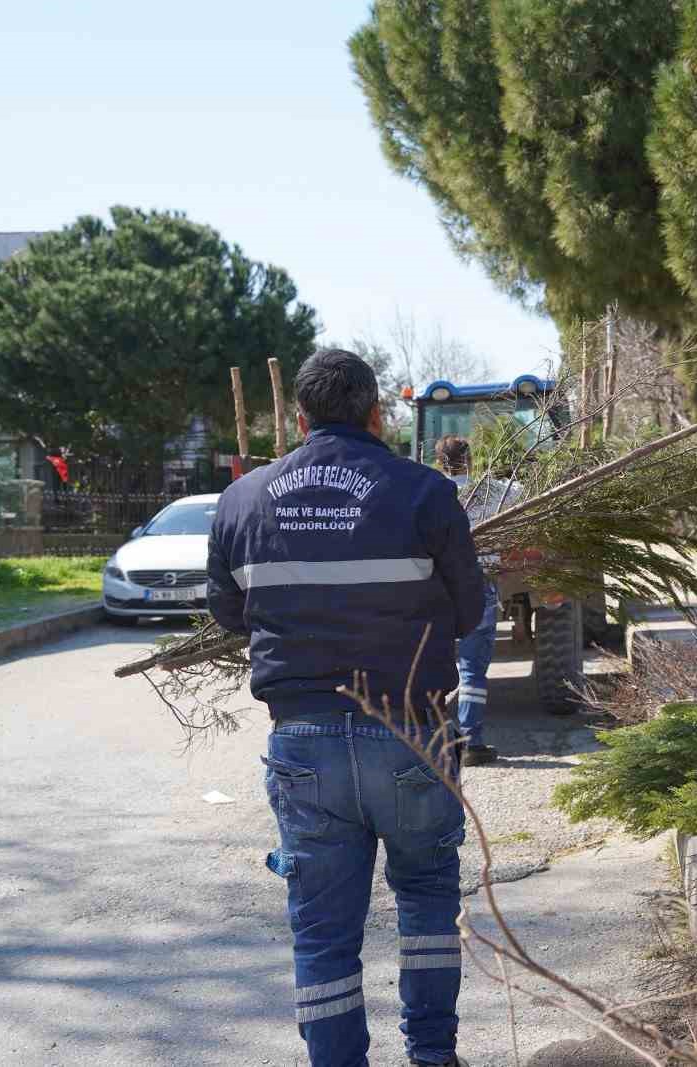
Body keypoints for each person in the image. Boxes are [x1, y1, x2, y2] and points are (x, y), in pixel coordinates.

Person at [206, 348, 486, 1067]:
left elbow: (231, 615)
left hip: (302, 742)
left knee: (323, 932)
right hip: (412, 734)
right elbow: (468, 610)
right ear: (376, 414)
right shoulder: (426, 493)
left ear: (297, 419)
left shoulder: (241, 502)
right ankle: (432, 1056)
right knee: (426, 900)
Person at [432, 434, 518, 768]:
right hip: (479, 586)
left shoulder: (430, 491)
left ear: (440, 461)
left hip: (436, 590)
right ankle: (470, 742)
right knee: (472, 672)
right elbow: (525, 496)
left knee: (433, 667)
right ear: (469, 459)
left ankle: (437, 739)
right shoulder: (492, 489)